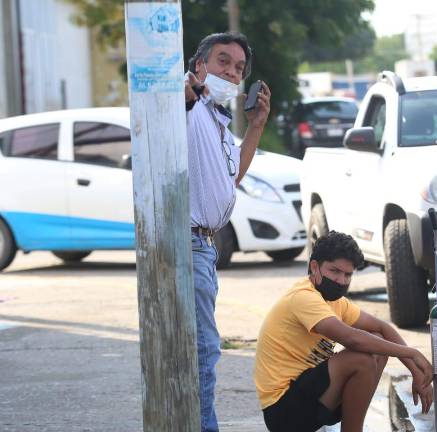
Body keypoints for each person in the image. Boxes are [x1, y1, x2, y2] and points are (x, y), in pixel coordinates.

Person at [254, 231, 434, 432]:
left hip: (312, 399)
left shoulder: (337, 302)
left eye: (347, 275)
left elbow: (382, 328)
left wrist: (415, 370)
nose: (340, 280)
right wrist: (412, 353)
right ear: (315, 267)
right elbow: (352, 339)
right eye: (334, 271)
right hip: (282, 411)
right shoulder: (303, 297)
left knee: (377, 343)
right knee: (360, 359)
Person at [184, 32, 271, 432]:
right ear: (199, 65)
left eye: (239, 68)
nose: (232, 73)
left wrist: (257, 125)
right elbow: (175, 97)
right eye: (223, 61)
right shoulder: (190, 106)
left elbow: (232, 174)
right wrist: (188, 90)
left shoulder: (215, 119)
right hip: (188, 244)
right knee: (204, 350)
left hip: (206, 247)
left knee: (202, 349)